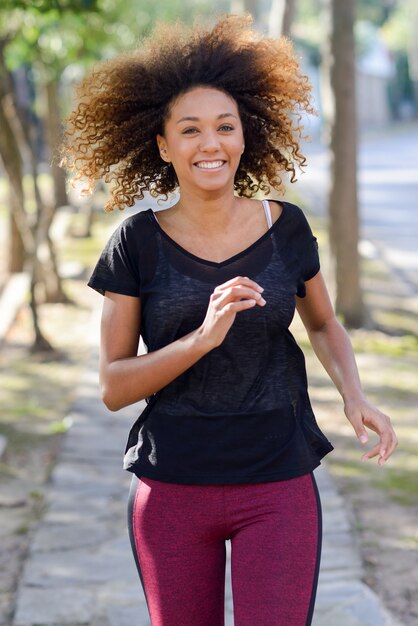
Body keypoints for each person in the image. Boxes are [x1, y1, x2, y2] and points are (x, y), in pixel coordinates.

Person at [61, 15, 398, 626]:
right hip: (172, 488)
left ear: (247, 136)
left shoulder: (285, 227)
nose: (209, 144)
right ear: (163, 145)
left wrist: (354, 396)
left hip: (278, 482)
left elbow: (322, 323)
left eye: (225, 127)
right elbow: (113, 386)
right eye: (189, 130)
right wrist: (201, 337)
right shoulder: (135, 243)